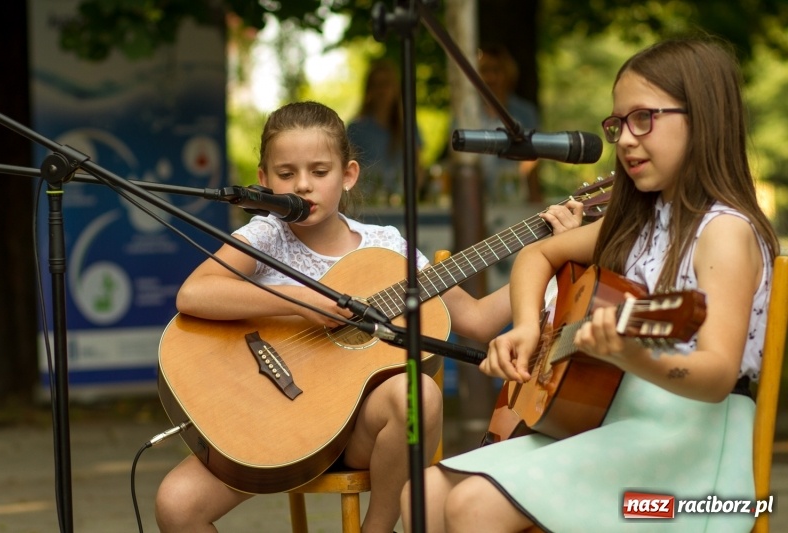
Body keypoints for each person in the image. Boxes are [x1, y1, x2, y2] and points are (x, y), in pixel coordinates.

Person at [401, 36, 780, 532]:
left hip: (689, 450)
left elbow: (713, 377)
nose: (623, 138)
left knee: (474, 504)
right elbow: (538, 253)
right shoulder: (642, 221)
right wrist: (524, 328)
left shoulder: (724, 231)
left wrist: (634, 356)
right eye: (617, 123)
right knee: (422, 496)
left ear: (703, 118)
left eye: (643, 118)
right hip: (611, 423)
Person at [154, 100, 584, 533]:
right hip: (277, 427)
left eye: (320, 173)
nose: (303, 186)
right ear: (263, 181)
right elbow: (196, 293)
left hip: (364, 433)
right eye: (286, 174)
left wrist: (548, 257)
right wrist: (303, 302)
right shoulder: (267, 234)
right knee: (176, 505)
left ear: (348, 175)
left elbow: (475, 320)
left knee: (417, 394)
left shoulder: (387, 249)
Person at [346, 58, 423, 206]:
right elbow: (346, 169)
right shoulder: (356, 128)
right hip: (367, 205)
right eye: (376, 85)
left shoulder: (408, 126)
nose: (382, 90)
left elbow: (418, 167)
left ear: (395, 89)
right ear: (369, 90)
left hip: (401, 204)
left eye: (386, 84)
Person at [474, 43, 542, 204]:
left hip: (515, 198)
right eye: (484, 71)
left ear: (508, 74)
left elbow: (534, 158)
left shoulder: (525, 112)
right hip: (477, 201)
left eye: (496, 70)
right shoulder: (467, 115)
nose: (490, 78)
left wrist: (535, 198)